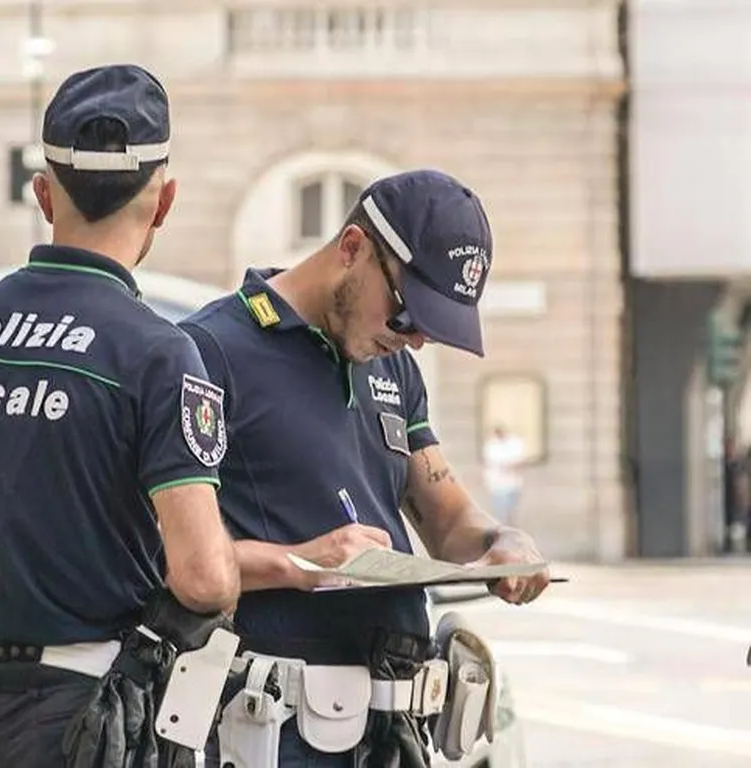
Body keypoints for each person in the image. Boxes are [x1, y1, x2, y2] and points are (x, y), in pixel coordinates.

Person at [0, 64, 241, 768]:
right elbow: (204, 579)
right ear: (164, 201)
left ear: (42, 193)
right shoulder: (159, 355)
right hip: (102, 725)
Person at [179, 169, 552, 767]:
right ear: (352, 248)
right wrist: (303, 562)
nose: (415, 339)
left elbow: (447, 518)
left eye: (432, 328)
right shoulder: (209, 351)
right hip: (276, 728)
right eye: (407, 314)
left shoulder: (393, 368)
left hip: (391, 729)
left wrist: (502, 542)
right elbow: (159, 554)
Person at [482, 424, 526, 526]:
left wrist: (512, 466)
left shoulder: (514, 443)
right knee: (500, 509)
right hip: (497, 484)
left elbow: (521, 461)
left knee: (511, 508)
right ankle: (502, 526)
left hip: (513, 482)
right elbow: (488, 462)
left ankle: (509, 524)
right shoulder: (491, 445)